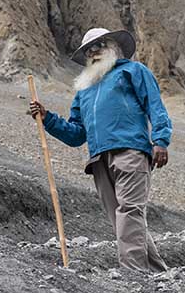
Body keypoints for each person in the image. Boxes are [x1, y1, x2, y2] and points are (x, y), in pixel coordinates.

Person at [29, 27, 171, 272]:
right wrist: (48, 118)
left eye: (99, 45)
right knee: (124, 219)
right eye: (88, 49)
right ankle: (157, 275)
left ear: (114, 46)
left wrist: (160, 140)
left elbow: (155, 106)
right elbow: (76, 134)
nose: (93, 51)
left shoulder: (133, 71)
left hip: (131, 152)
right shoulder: (84, 89)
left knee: (129, 211)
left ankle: (133, 274)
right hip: (98, 160)